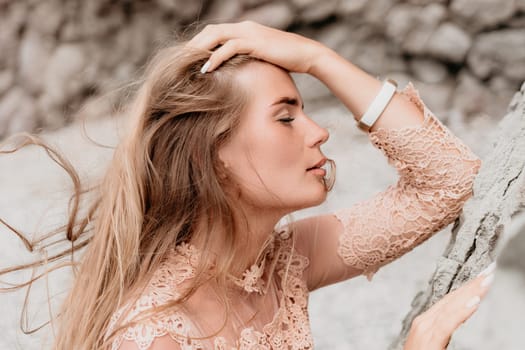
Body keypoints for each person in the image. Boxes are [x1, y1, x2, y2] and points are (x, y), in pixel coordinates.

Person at [0, 21, 493, 350]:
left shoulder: (282, 265)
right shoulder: (152, 336)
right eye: (285, 117)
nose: (319, 131)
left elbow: (448, 179)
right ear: (214, 157)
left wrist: (315, 56)